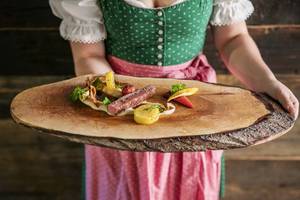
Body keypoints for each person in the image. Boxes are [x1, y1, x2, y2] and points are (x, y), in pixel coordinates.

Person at [49, 0, 299, 199]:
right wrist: (119, 101)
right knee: (123, 186)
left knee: (190, 183)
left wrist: (267, 82)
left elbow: (233, 40)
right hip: (116, 106)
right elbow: (88, 55)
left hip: (191, 108)